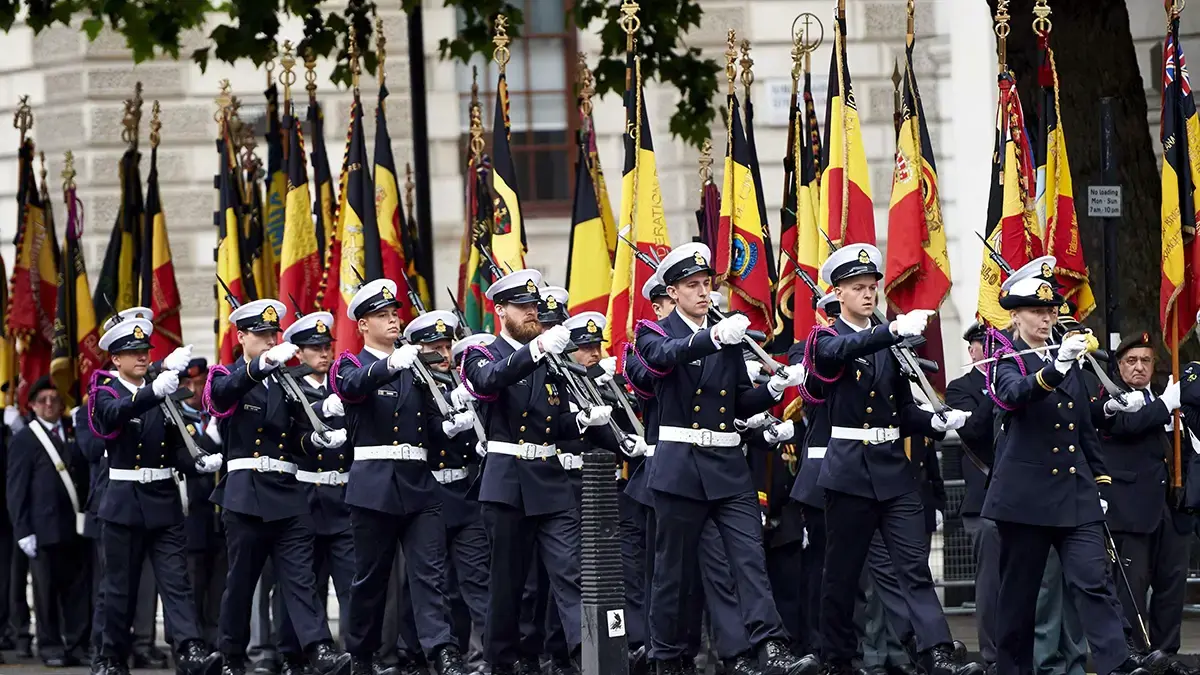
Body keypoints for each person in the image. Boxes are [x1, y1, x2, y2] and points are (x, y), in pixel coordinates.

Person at [633, 242, 815, 675]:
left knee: (749, 559)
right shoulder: (654, 333)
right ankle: (665, 655)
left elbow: (735, 404)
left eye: (705, 284)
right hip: (680, 465)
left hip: (727, 467)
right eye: (691, 286)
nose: (702, 292)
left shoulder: (727, 335)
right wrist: (712, 337)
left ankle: (770, 647)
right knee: (672, 572)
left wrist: (773, 391)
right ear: (672, 292)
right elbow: (659, 361)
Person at [800, 244, 975, 675]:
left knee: (913, 567)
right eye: (857, 288)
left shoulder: (889, 343)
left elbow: (902, 410)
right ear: (837, 293)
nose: (868, 295)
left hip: (893, 471)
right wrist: (891, 332)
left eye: (872, 287)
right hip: (849, 471)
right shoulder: (826, 338)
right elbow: (834, 357)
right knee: (843, 574)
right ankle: (837, 657)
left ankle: (933, 651)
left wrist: (935, 423)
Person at [984, 256, 1145, 675]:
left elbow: (1082, 428)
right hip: (1024, 498)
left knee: (1093, 580)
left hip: (1074, 495)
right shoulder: (1005, 358)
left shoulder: (1067, 354)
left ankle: (1117, 663)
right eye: (1037, 311)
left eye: (1051, 310)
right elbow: (1012, 396)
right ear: (1015, 316)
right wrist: (1054, 369)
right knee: (1019, 596)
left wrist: (1102, 482)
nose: (1046, 318)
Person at [463, 268, 621, 674]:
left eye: (534, 306)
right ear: (501, 310)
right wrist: (535, 352)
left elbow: (557, 425)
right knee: (509, 585)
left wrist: (585, 422)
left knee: (571, 574)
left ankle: (589, 658)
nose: (532, 313)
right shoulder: (483, 353)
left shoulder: (549, 359)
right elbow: (488, 382)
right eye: (523, 307)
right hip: (507, 479)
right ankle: (502, 661)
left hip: (548, 478)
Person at [205, 298, 351, 675]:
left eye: (273, 333)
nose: (270, 340)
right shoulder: (227, 373)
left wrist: (317, 440)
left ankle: (319, 649)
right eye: (261, 334)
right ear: (241, 337)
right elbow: (219, 399)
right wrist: (257, 368)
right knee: (241, 583)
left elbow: (300, 437)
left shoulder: (288, 383)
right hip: (247, 493)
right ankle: (231, 655)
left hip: (287, 493)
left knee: (300, 580)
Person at [331, 280, 468, 675]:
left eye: (394, 313)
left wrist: (452, 426)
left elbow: (430, 425)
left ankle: (442, 650)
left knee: (430, 573)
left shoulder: (416, 370)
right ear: (362, 325)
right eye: (381, 315)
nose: (393, 319)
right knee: (371, 578)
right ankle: (361, 654)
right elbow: (351, 389)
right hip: (374, 484)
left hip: (419, 485)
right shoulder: (352, 363)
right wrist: (390, 364)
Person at [87, 316, 223, 675]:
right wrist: (153, 391)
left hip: (162, 499)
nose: (142, 357)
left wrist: (200, 462)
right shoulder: (105, 391)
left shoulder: (160, 394)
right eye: (132, 352)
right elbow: (112, 418)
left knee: (176, 583)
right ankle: (111, 656)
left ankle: (190, 650)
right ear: (115, 359)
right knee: (119, 588)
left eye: (145, 350)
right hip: (123, 500)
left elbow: (176, 449)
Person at [392, 310, 489, 675]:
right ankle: (416, 653)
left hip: (463, 492)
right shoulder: (410, 387)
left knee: (476, 580)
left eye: (447, 346)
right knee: (428, 581)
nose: (444, 353)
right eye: (434, 347)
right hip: (426, 492)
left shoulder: (458, 387)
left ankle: (488, 654)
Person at [274, 311, 356, 675]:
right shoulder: (289, 390)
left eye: (326, 347)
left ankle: (356, 654)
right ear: (299, 353)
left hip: (340, 498)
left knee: (353, 582)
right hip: (304, 496)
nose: (323, 353)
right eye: (314, 348)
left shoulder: (343, 388)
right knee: (303, 583)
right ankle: (293, 656)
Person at [1098, 331, 1190, 656]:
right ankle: (1133, 656)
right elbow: (1128, 426)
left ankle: (1166, 655)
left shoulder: (1167, 399)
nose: (1139, 368)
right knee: (1131, 591)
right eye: (1131, 361)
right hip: (1131, 510)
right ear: (1120, 366)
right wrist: (1167, 404)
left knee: (1171, 587)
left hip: (1173, 508)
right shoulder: (1111, 399)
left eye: (1146, 361)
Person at [6, 375, 91, 667]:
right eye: (42, 400)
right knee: (45, 593)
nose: (49, 404)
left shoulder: (71, 432)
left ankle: (78, 643)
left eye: (54, 399)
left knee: (79, 590)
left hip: (74, 527)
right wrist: (23, 529)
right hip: (42, 530)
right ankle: (51, 645)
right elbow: (16, 489)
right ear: (31, 405)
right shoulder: (24, 439)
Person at [178, 358, 226, 650]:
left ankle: (216, 643)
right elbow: (189, 462)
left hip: (219, 516)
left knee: (219, 586)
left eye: (201, 384)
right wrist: (209, 440)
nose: (195, 390)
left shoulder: (216, 417)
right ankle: (190, 646)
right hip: (191, 516)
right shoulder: (178, 421)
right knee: (192, 586)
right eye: (190, 385)